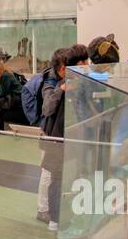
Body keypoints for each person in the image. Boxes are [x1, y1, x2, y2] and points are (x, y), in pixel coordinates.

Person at [36, 45, 89, 229]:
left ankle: (63, 214)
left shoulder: (78, 83)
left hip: (71, 139)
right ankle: (51, 216)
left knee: (69, 176)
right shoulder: (52, 83)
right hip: (54, 139)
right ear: (63, 68)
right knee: (52, 177)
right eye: (79, 66)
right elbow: (47, 108)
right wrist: (63, 89)